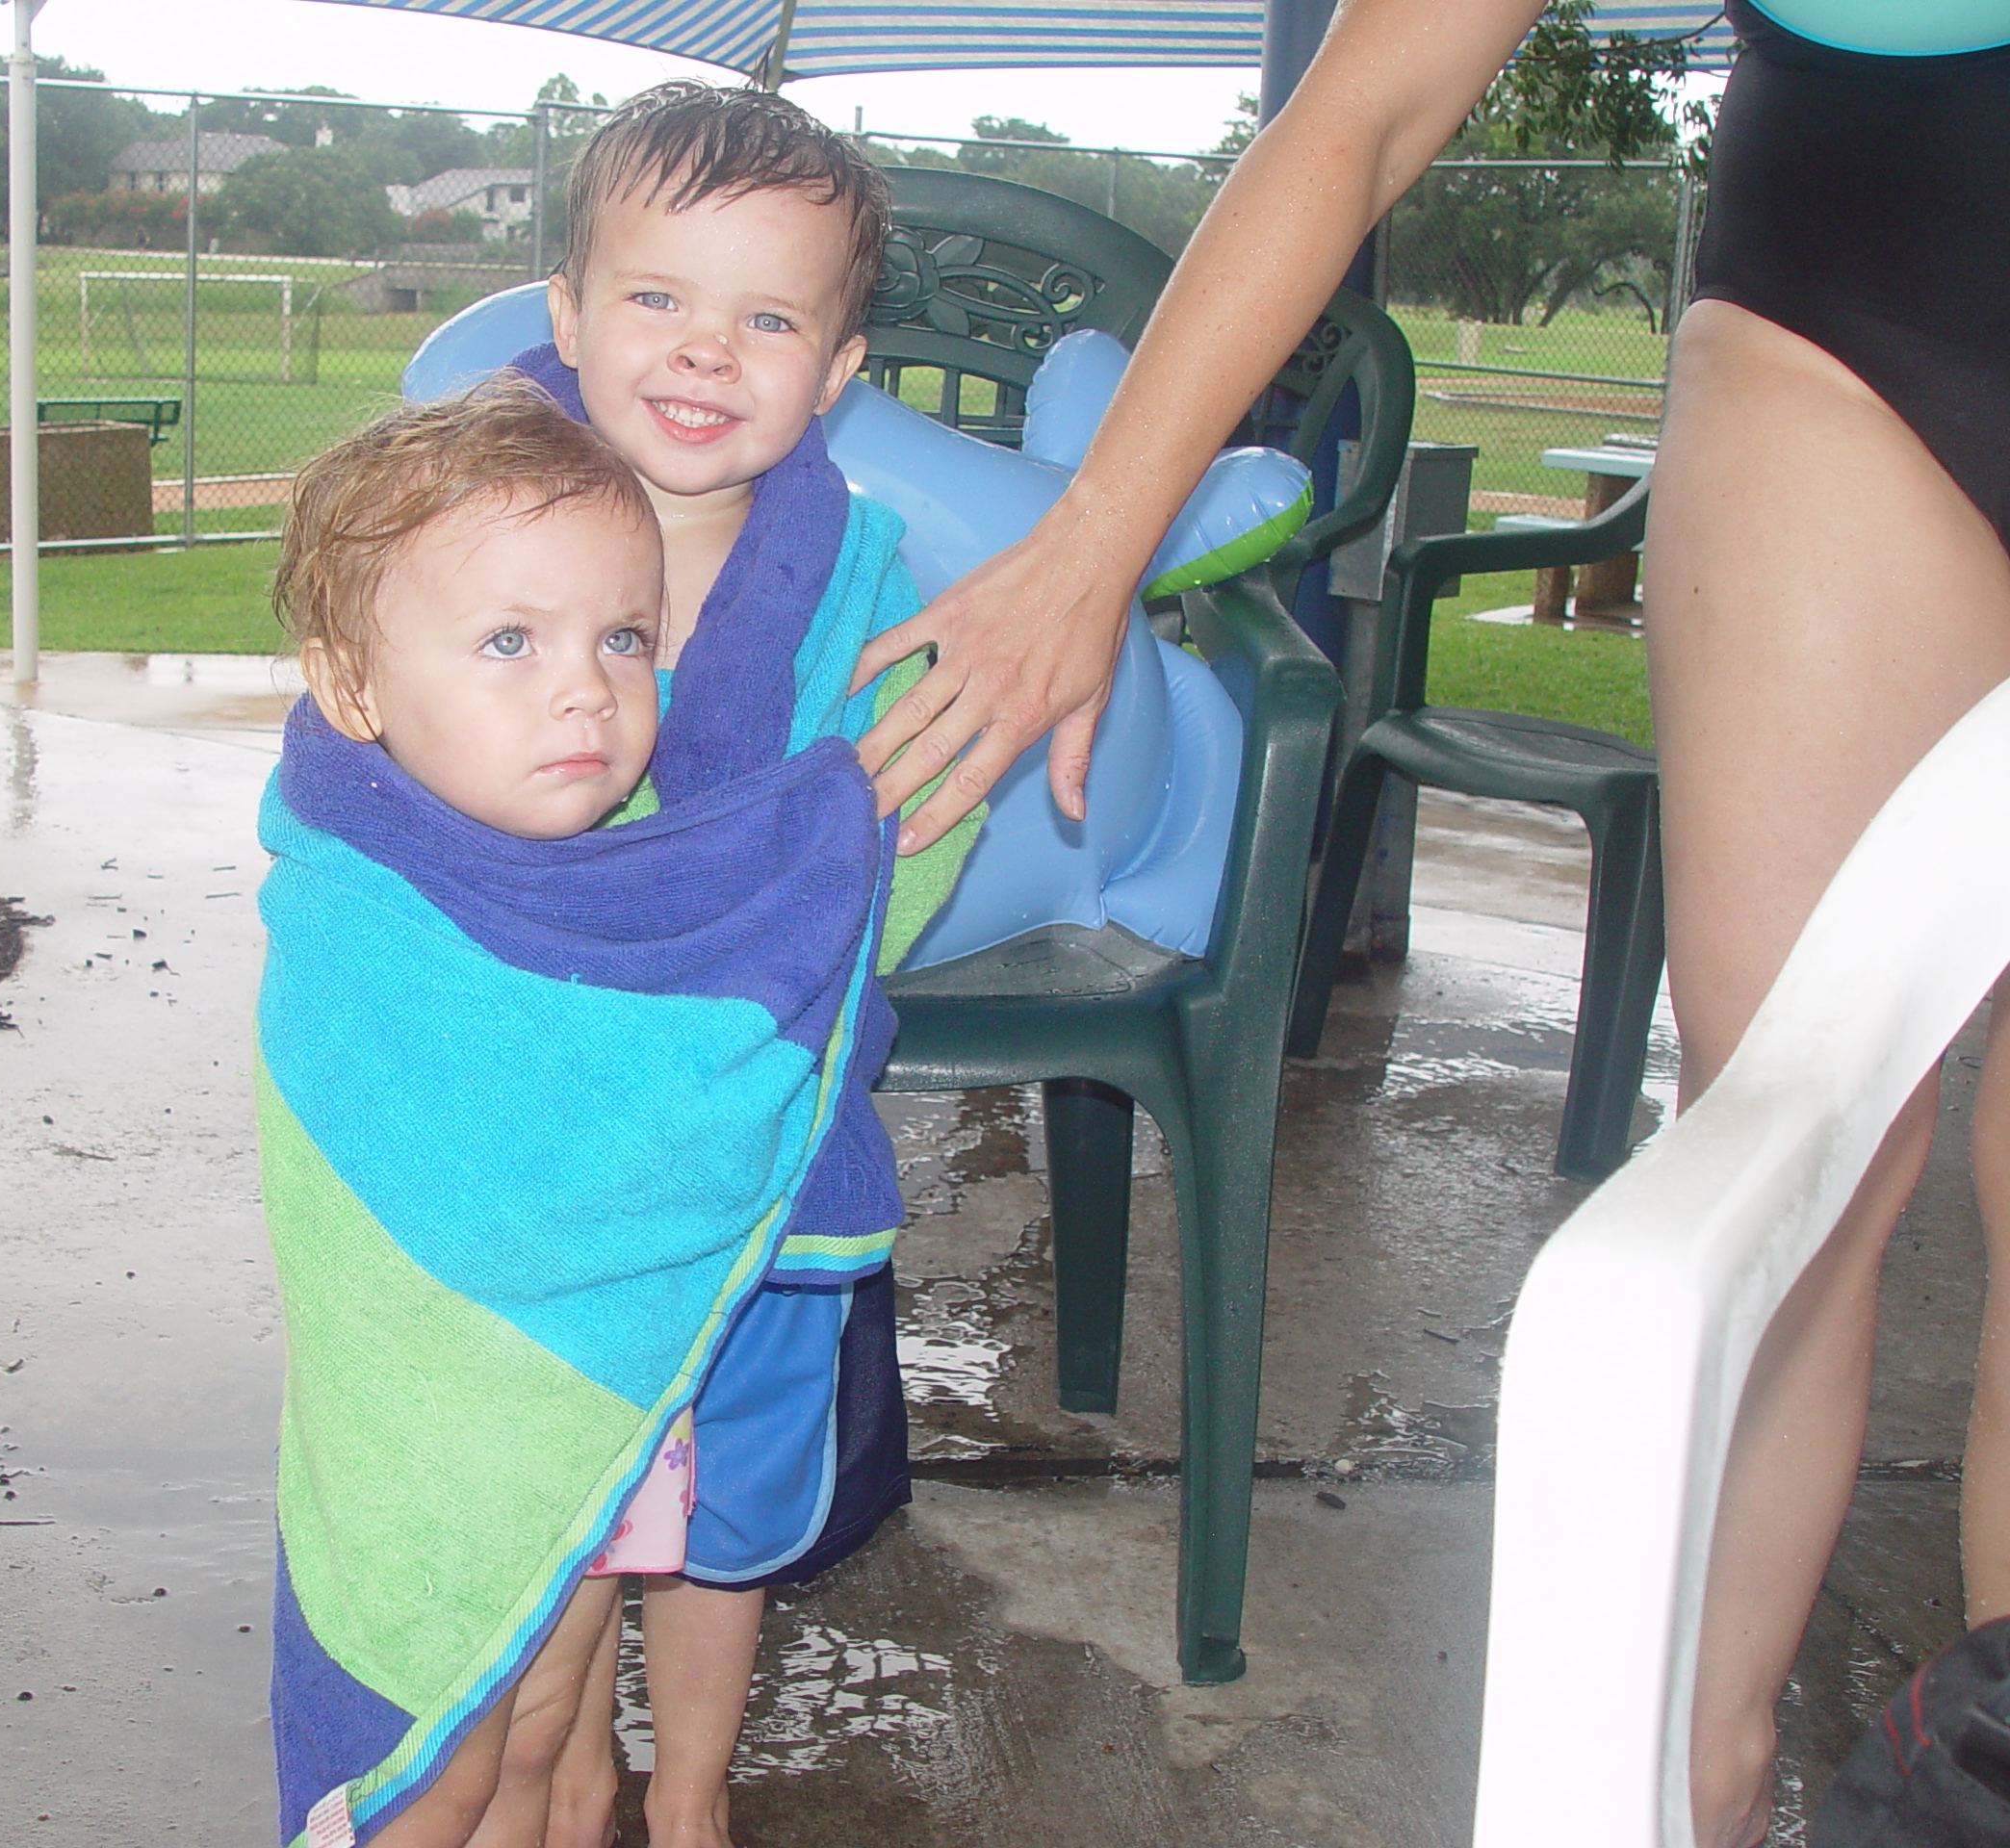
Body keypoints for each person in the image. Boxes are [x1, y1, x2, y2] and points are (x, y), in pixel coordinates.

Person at [846, 4, 2010, 1844]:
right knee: (1798, 1163)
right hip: (1865, 310)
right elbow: (1378, 97)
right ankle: (1685, 1787)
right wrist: (1089, 542)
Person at [518, 82, 980, 1848]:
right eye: (658, 298)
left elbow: (903, 844)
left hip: (769, 1152)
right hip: (553, 1161)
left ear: (838, 365)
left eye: (767, 317)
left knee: (730, 1529)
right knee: (558, 1503)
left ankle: (695, 1798)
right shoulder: (477, 535)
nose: (708, 352)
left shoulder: (860, 591)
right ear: (566, 316)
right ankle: (569, 1772)